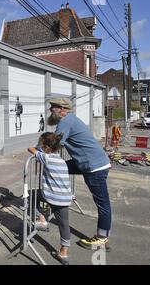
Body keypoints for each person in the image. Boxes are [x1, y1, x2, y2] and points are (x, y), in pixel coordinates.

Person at [48, 98, 112, 251]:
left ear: (63, 109)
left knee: (103, 204)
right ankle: (53, 200)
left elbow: (54, 144)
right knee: (60, 167)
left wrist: (37, 151)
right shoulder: (70, 119)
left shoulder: (66, 121)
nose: (51, 110)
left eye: (54, 107)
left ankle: (102, 239)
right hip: (88, 163)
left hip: (93, 167)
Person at [28, 132, 72, 265]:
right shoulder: (61, 160)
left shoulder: (46, 158)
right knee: (64, 225)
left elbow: (30, 149)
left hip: (52, 196)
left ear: (45, 147)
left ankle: (42, 220)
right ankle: (63, 253)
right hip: (65, 197)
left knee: (32, 195)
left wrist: (38, 147)